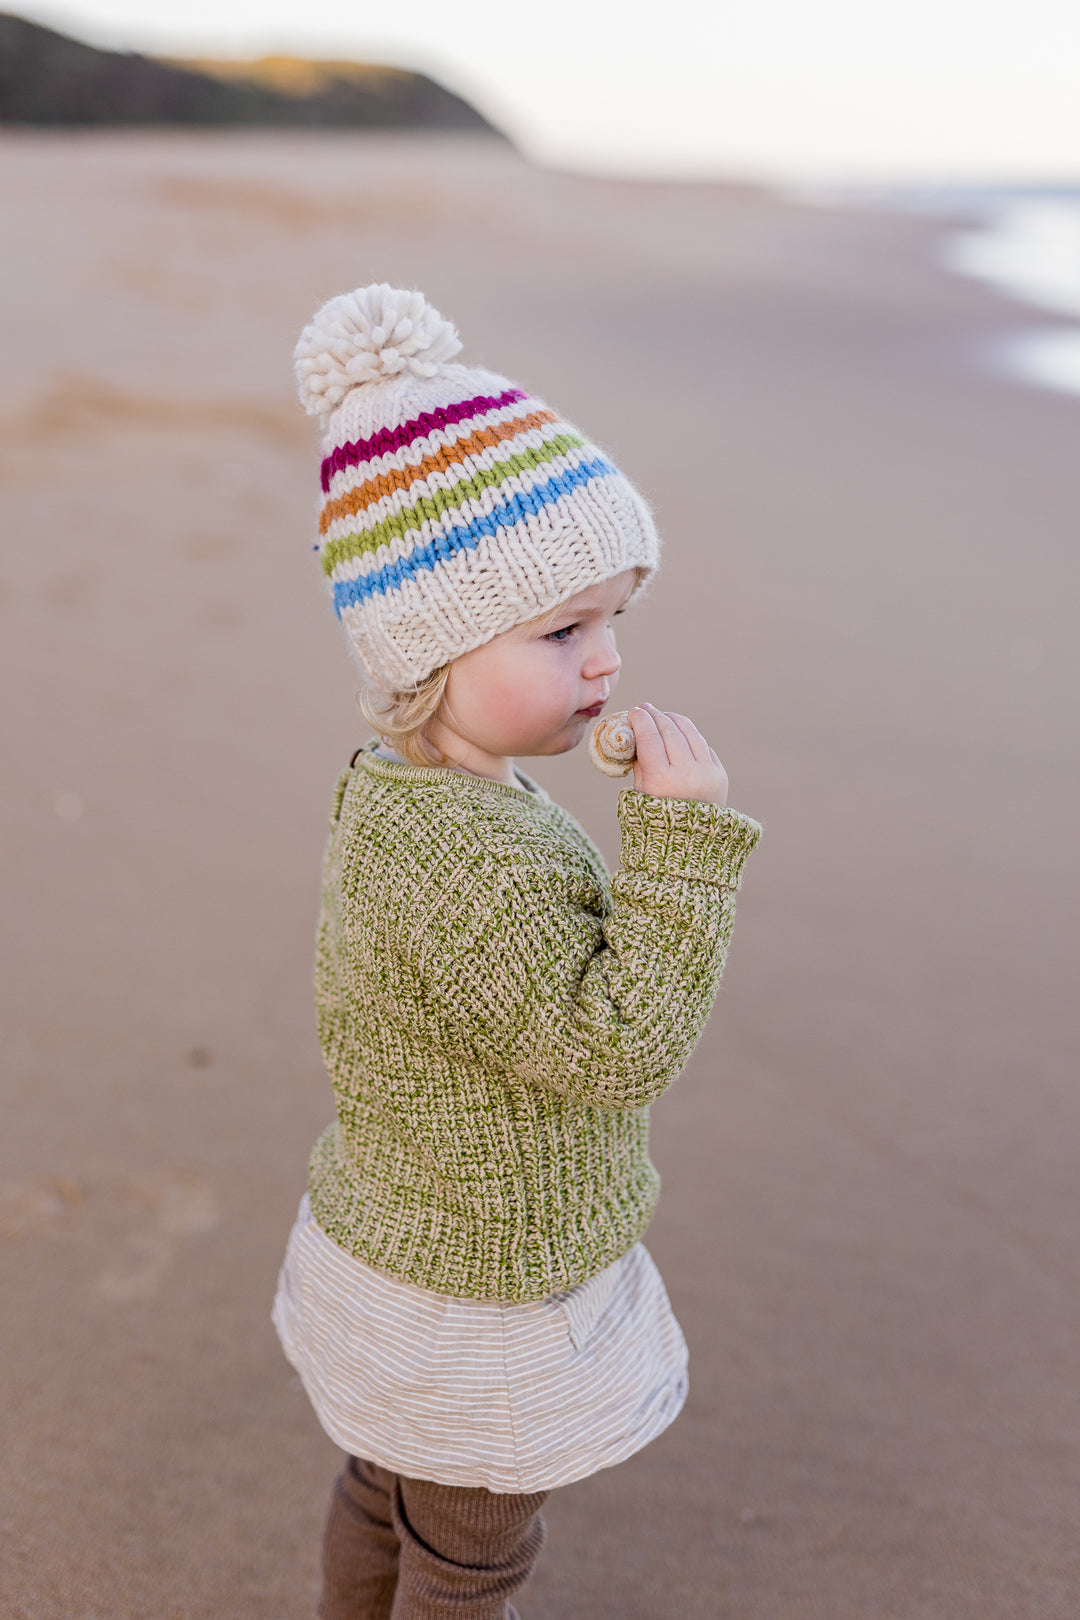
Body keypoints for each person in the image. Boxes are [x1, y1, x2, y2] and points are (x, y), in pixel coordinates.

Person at [272, 283, 763, 1619]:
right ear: (426, 642)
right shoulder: (472, 852)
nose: (605, 663)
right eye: (560, 632)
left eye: (611, 620)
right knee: (471, 1548)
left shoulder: (411, 792)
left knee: (384, 1493)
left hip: (402, 1239)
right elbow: (611, 1050)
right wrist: (677, 854)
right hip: (481, 1292)